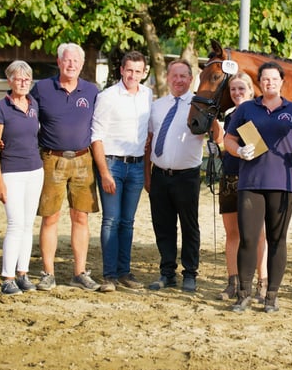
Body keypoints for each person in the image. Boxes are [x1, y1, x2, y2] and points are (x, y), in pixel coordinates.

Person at [223, 61, 292, 313]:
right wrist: (239, 151)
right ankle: (244, 294)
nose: (269, 83)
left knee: (277, 240)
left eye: (274, 79)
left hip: (284, 183)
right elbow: (229, 139)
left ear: (282, 82)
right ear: (259, 83)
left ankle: (271, 295)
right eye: (265, 79)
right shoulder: (247, 109)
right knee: (248, 238)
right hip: (251, 183)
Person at [30, 43, 100, 292]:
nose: (71, 65)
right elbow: (25, 114)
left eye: (75, 61)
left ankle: (79, 273)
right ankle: (48, 273)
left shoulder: (91, 91)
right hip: (52, 159)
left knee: (80, 216)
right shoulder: (42, 88)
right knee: (50, 217)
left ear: (82, 64)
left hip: (83, 160)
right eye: (67, 60)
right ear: (59, 62)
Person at [145, 59, 218, 293]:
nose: (178, 80)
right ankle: (167, 272)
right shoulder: (157, 106)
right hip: (159, 175)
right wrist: (148, 175)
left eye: (183, 76)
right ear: (167, 78)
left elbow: (216, 133)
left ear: (190, 79)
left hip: (186, 176)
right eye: (174, 76)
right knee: (163, 226)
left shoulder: (199, 105)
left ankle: (190, 273)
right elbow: (149, 141)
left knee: (189, 226)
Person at [91, 51, 152, 292]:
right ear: (121, 70)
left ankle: (124, 271)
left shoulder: (147, 95)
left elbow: (148, 132)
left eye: (138, 71)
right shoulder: (107, 97)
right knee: (111, 220)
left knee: (127, 222)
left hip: (136, 166)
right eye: (129, 70)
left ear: (144, 73)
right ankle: (109, 276)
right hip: (112, 165)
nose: (133, 75)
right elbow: (96, 137)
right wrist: (104, 173)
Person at [0, 61, 44, 295]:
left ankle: (23, 273)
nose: (23, 83)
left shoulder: (34, 105)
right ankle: (7, 277)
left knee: (28, 224)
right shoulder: (0, 107)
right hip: (11, 171)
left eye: (26, 79)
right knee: (15, 223)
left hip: (35, 170)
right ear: (9, 81)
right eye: (18, 78)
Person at [216, 72, 267, 301]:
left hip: (253, 179)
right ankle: (233, 282)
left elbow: (257, 146)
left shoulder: (259, 112)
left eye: (241, 88)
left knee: (257, 234)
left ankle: (262, 282)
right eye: (233, 89)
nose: (237, 93)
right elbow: (227, 143)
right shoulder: (230, 116)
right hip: (229, 176)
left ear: (251, 90)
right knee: (232, 233)